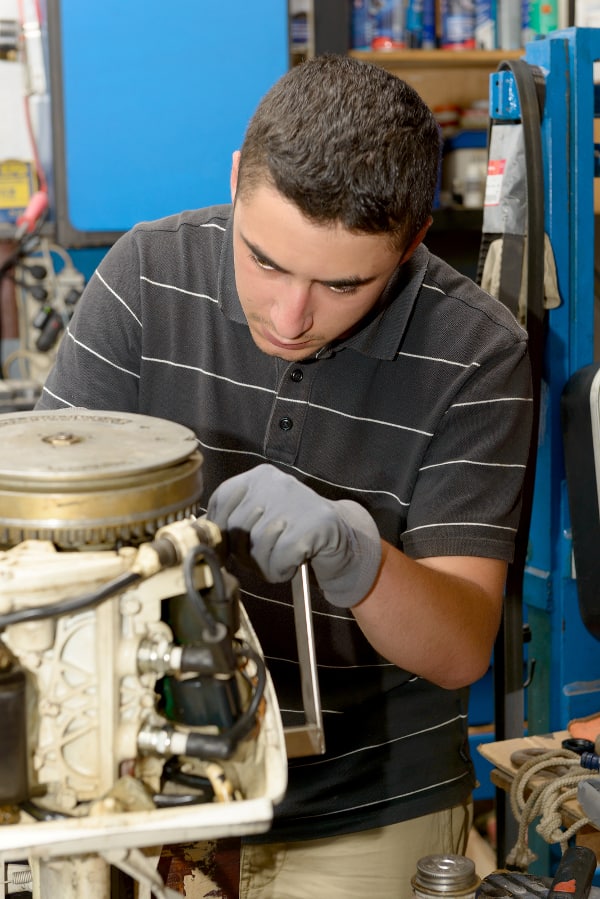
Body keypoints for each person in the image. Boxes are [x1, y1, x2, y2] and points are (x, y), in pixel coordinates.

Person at [36, 54, 532, 898]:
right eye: (265, 261)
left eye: (342, 283)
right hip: (148, 787)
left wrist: (361, 557)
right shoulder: (144, 279)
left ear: (412, 241)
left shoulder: (476, 352)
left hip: (367, 800)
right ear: (236, 181)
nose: (290, 316)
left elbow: (457, 650)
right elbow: (40, 539)